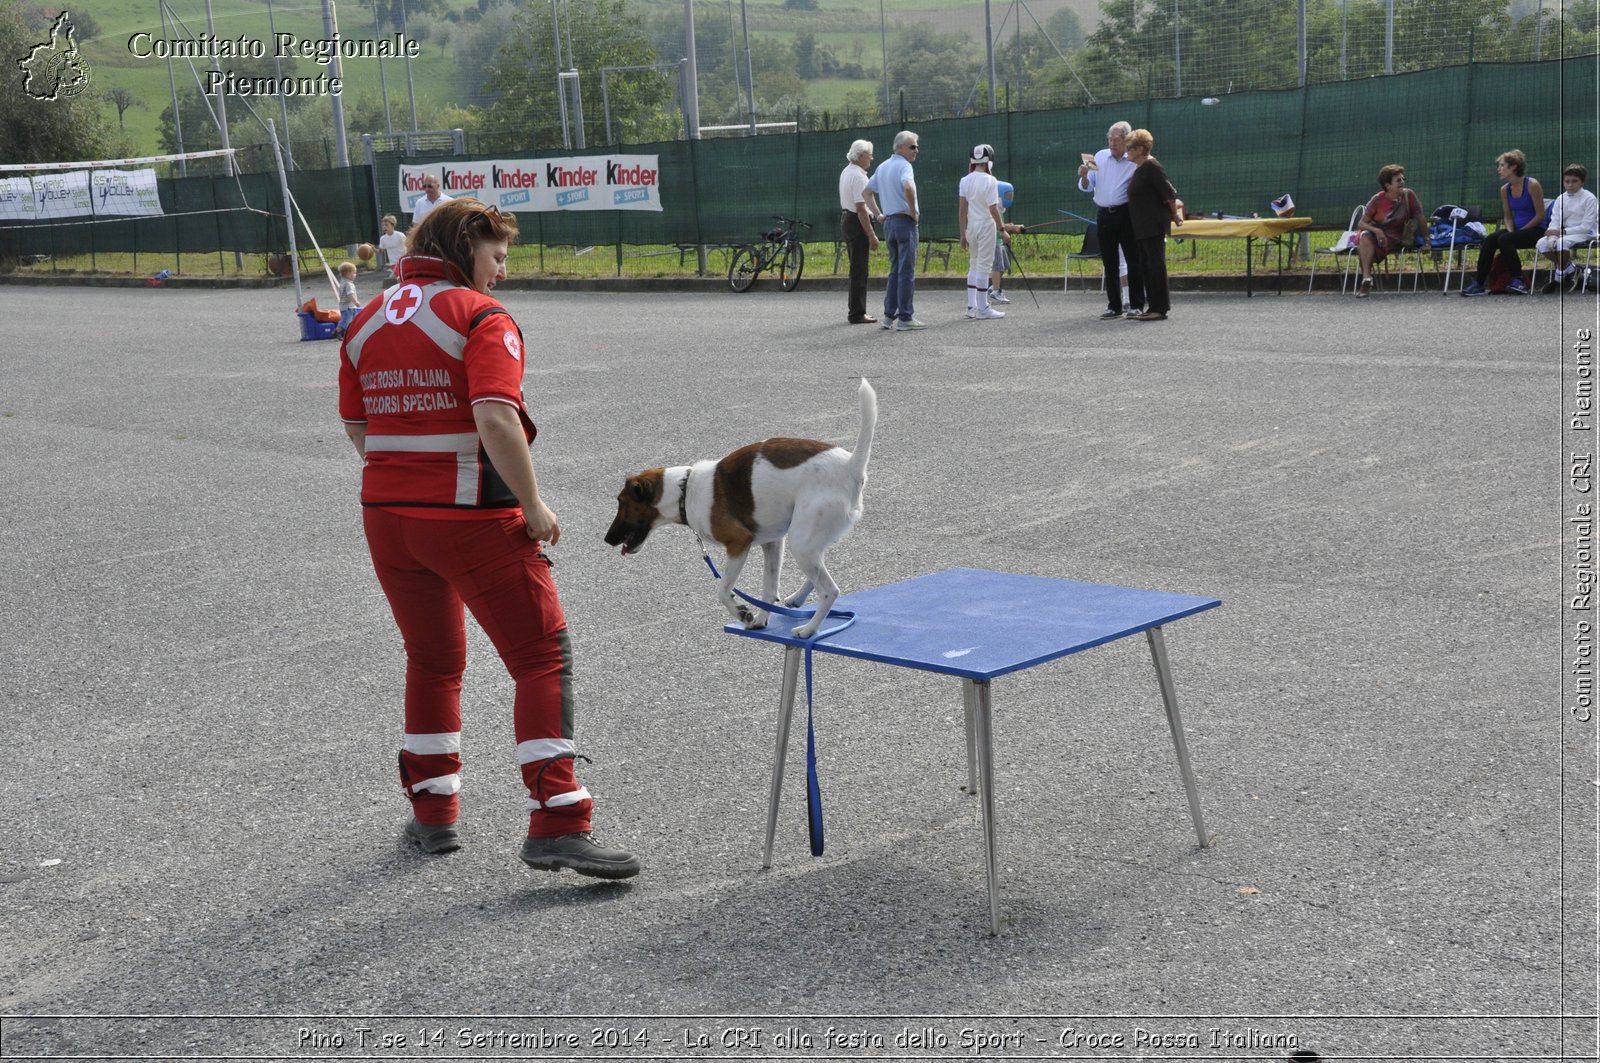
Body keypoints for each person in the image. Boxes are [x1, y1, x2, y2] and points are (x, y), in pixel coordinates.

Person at [337, 198, 640, 880]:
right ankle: (559, 819)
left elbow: (358, 428)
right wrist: (532, 504)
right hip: (471, 514)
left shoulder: (363, 321)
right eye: (496, 255)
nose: (501, 271)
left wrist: (407, 468)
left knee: (433, 660)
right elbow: (496, 419)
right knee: (542, 656)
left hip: (388, 514)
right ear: (466, 242)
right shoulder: (479, 317)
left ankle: (433, 811)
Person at [1076, 120, 1145, 319]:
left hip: (1126, 213)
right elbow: (1088, 186)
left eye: (1117, 139)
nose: (1112, 143)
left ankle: (1136, 304)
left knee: (1133, 260)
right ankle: (1114, 305)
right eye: (1110, 139)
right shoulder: (1099, 156)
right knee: (1110, 261)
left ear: (1127, 140)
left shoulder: (1133, 159)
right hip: (1104, 213)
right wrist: (1084, 177)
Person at [1464, 150, 1546, 297]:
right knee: (1490, 240)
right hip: (1516, 230)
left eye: (1502, 165)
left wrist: (1518, 232)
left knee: (1505, 239)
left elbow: (1540, 215)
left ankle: (1518, 281)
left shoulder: (1532, 185)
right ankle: (1479, 283)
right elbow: (1508, 216)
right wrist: (1510, 229)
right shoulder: (1504, 190)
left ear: (1513, 167)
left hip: (1536, 229)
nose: (1498, 169)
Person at [1122, 128, 1183, 322]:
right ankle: (1152, 306)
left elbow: (1169, 193)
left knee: (1156, 265)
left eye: (1129, 147)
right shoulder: (1140, 168)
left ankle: (1160, 307)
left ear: (1140, 149)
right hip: (1141, 225)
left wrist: (1175, 215)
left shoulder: (1151, 166)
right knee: (1147, 266)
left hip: (1153, 224)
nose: (1127, 151)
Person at [868, 130, 925, 331]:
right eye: (912, 146)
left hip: (889, 223)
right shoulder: (904, 166)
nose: (916, 150)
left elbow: (866, 191)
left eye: (916, 146)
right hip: (904, 222)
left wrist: (878, 215)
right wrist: (912, 212)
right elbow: (908, 187)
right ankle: (905, 317)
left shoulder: (883, 166)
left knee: (894, 271)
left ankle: (888, 316)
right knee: (906, 272)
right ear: (900, 147)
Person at [1353, 164, 1426, 298]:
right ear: (1387, 185)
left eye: (1403, 179)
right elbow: (1361, 223)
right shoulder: (1377, 200)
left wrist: (1427, 242)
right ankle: (1366, 279)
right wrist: (1377, 231)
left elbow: (1420, 216)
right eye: (1398, 180)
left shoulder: (1409, 195)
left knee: (1365, 239)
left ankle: (1366, 279)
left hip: (1398, 237)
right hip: (1375, 235)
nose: (1402, 182)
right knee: (1364, 236)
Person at [958, 143, 1008, 320]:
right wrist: (1003, 230)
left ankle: (972, 306)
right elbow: (993, 209)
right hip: (986, 226)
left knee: (974, 263)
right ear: (989, 161)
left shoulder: (965, 180)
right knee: (984, 266)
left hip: (971, 226)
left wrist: (962, 234)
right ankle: (983, 308)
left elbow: (962, 209)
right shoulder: (991, 180)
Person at [838, 139, 882, 324]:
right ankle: (856, 313)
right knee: (859, 270)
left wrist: (878, 214)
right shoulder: (859, 177)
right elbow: (862, 208)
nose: (871, 158)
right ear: (861, 156)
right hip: (857, 222)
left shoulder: (847, 171)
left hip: (847, 219)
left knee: (856, 268)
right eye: (869, 154)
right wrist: (871, 235)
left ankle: (856, 310)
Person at [1537, 164, 1599, 293]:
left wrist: (1561, 232)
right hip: (1567, 233)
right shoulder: (1561, 199)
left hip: (1587, 233)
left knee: (1561, 242)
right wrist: (1552, 235)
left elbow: (1586, 226)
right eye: (1567, 181)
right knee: (1541, 243)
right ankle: (1570, 269)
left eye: (1574, 181)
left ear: (1582, 182)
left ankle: (1558, 278)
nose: (1570, 185)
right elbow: (1555, 220)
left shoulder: (1590, 198)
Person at [987, 179, 1024, 306]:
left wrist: (1011, 226)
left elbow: (1001, 225)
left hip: (998, 241)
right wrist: (1013, 228)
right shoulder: (993, 208)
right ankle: (996, 291)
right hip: (993, 240)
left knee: (1003, 266)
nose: (1009, 197)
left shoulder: (997, 208)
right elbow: (998, 226)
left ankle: (993, 287)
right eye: (1006, 195)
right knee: (998, 266)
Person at [334, 261, 360, 337]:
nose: (355, 275)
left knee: (353, 320)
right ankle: (336, 332)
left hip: (345, 306)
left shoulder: (342, 282)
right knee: (346, 321)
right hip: (348, 307)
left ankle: (349, 334)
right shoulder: (349, 284)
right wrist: (356, 302)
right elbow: (350, 294)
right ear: (347, 273)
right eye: (354, 273)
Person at [377, 214, 407, 278]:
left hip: (403, 262)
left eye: (386, 225)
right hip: (393, 264)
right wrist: (371, 248)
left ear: (393, 225)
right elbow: (380, 251)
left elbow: (408, 247)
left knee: (403, 278)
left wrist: (404, 257)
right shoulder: (383, 239)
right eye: (383, 225)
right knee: (400, 279)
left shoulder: (400, 235)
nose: (384, 227)